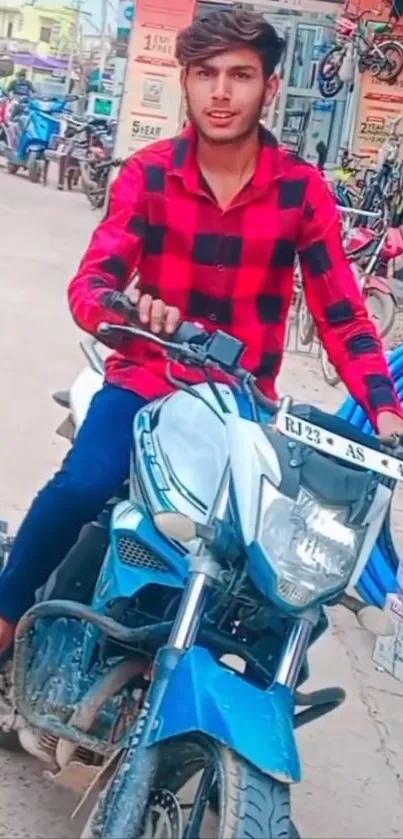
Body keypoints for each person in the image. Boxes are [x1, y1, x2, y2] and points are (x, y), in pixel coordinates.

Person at [0, 6, 403, 655]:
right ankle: (8, 616)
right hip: (146, 382)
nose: (220, 91)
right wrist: (129, 313)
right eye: (205, 73)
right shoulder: (148, 174)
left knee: (269, 564)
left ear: (269, 87)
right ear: (185, 82)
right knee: (83, 481)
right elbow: (93, 281)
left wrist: (384, 410)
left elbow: (342, 314)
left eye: (239, 75)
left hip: (242, 408)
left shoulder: (301, 193)